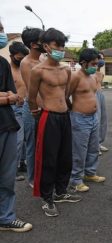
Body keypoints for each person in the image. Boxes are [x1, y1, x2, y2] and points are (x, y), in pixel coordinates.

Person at [29, 28, 81, 217]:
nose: (60, 49)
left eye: (62, 45)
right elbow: (31, 97)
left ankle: (61, 191)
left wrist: (68, 109)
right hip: (48, 116)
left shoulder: (66, 69)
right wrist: (36, 113)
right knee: (48, 159)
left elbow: (65, 94)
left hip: (64, 116)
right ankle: (47, 198)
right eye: (56, 45)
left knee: (65, 157)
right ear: (46, 47)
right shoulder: (38, 70)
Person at [0, 20, 32, 232]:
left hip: (7, 124)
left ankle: (5, 217)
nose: (1, 34)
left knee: (7, 176)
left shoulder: (2, 64)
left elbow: (13, 95)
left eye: (1, 30)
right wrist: (6, 98)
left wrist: (6, 97)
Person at [69, 48, 106, 192]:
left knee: (93, 147)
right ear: (83, 63)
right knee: (79, 151)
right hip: (80, 118)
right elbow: (66, 95)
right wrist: (73, 109)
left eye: (96, 63)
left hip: (93, 117)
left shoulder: (94, 77)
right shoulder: (75, 77)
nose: (95, 66)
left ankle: (90, 173)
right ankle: (76, 179)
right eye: (93, 63)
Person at [20, 27, 45, 188]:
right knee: (32, 146)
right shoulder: (26, 63)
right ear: (33, 44)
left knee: (44, 145)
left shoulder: (43, 59)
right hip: (32, 109)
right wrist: (36, 109)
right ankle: (32, 179)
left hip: (46, 109)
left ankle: (43, 175)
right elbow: (32, 91)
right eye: (42, 40)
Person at [8, 41, 29, 181]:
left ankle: (22, 163)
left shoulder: (24, 69)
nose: (21, 60)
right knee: (17, 140)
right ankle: (11, 170)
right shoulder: (7, 70)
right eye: (19, 57)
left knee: (26, 140)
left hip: (26, 107)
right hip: (14, 108)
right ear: (12, 56)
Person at [94, 52, 108, 154]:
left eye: (103, 58)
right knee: (97, 120)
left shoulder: (101, 74)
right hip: (93, 95)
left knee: (103, 119)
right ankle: (94, 146)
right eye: (100, 58)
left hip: (101, 94)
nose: (102, 60)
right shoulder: (91, 72)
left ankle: (99, 143)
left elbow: (100, 85)